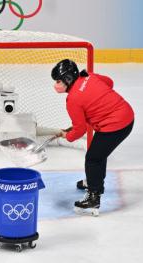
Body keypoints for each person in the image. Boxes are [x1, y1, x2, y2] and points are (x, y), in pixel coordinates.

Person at [51, 59, 134, 214]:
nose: (56, 84)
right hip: (126, 114)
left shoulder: (73, 100)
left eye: (58, 81)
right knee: (99, 154)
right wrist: (98, 102)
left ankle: (93, 198)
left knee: (93, 159)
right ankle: (93, 181)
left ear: (68, 79)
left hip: (116, 125)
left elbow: (80, 129)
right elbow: (109, 82)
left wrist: (66, 136)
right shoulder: (89, 76)